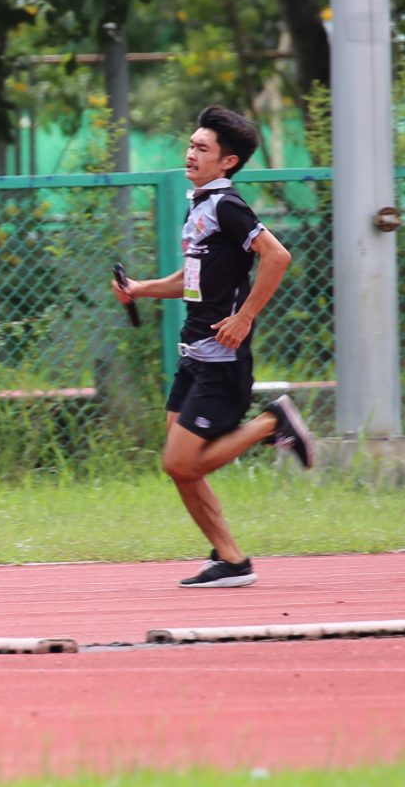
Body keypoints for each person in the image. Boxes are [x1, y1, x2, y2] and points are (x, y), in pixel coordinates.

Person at [112, 106, 314, 588]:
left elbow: (277, 256)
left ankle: (272, 423)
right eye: (191, 145)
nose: (190, 153)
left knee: (179, 462)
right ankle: (231, 559)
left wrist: (245, 317)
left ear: (227, 162)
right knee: (183, 468)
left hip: (221, 360)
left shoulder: (227, 206)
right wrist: (140, 289)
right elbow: (192, 278)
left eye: (202, 149)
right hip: (194, 354)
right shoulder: (200, 205)